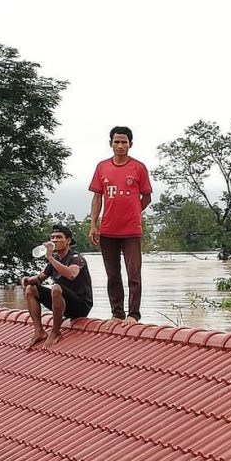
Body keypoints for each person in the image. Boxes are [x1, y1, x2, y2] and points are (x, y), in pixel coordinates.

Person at [89, 126, 152, 323]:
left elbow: (147, 197)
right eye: (116, 142)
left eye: (124, 142)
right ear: (111, 144)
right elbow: (97, 197)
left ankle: (133, 314)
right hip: (108, 230)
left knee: (134, 273)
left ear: (130, 144)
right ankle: (117, 313)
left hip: (131, 230)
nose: (120, 145)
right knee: (112, 274)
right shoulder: (102, 167)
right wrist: (93, 224)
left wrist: (134, 212)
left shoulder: (138, 168)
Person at [21, 224, 94, 349]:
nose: (54, 240)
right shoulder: (54, 261)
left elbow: (71, 274)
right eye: (52, 237)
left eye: (59, 237)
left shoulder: (76, 258)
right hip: (62, 302)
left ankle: (55, 331)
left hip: (80, 305)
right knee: (31, 289)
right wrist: (27, 280)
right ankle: (39, 331)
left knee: (56, 288)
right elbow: (40, 278)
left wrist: (50, 258)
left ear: (68, 241)